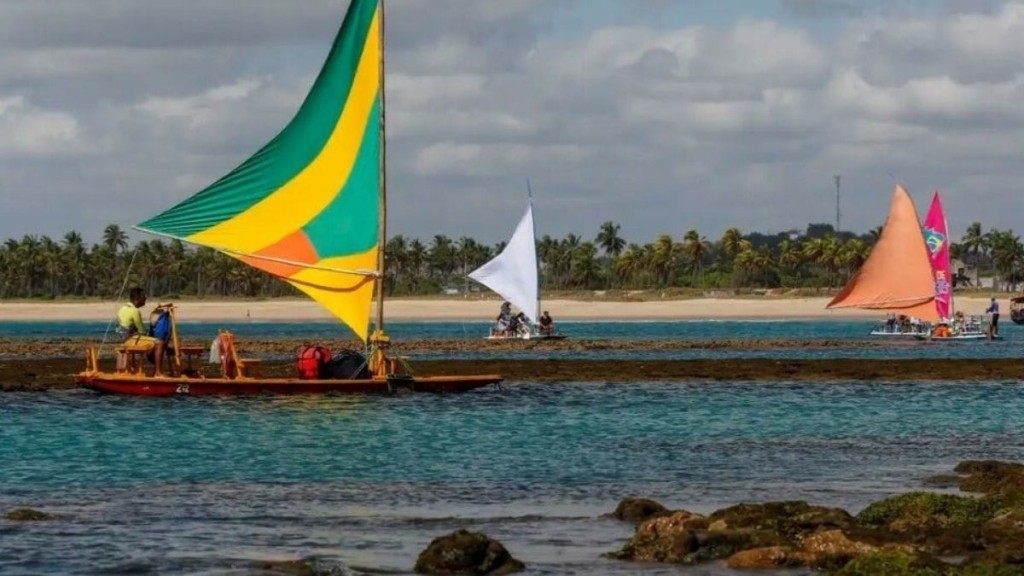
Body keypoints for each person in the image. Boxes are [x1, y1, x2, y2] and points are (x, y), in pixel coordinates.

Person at [117, 287, 165, 377]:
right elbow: (142, 331)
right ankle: (157, 373)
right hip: (130, 339)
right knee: (160, 343)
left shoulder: (123, 308)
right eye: (144, 297)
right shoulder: (135, 311)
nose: (145, 299)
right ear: (138, 298)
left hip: (124, 338)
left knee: (153, 342)